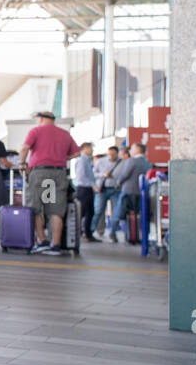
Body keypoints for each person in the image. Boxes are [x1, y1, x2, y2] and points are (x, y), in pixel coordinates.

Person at [19, 110, 79, 256]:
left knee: (35, 207)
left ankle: (42, 241)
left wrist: (22, 164)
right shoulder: (64, 134)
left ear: (41, 119)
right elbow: (77, 153)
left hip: (40, 173)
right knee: (55, 210)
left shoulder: (36, 131)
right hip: (58, 173)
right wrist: (61, 158)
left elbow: (25, 148)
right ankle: (55, 245)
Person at [108, 143, 150, 243]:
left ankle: (113, 233)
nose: (131, 150)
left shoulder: (132, 161)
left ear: (137, 150)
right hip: (141, 192)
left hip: (128, 191)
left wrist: (118, 183)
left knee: (118, 213)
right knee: (136, 215)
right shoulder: (147, 163)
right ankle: (135, 236)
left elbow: (125, 174)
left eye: (132, 148)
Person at [93, 145, 122, 237]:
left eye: (113, 155)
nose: (111, 156)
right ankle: (96, 230)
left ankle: (113, 233)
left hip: (115, 189)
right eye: (109, 154)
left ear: (117, 154)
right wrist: (103, 175)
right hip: (102, 189)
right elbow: (93, 173)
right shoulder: (100, 161)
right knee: (98, 211)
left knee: (116, 212)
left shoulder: (122, 162)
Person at [72, 141, 99, 242]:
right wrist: (93, 185)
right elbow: (82, 175)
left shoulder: (86, 160)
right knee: (85, 212)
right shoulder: (82, 160)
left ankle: (86, 233)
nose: (92, 150)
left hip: (85, 188)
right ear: (85, 148)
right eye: (91, 148)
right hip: (84, 188)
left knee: (88, 212)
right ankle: (84, 233)